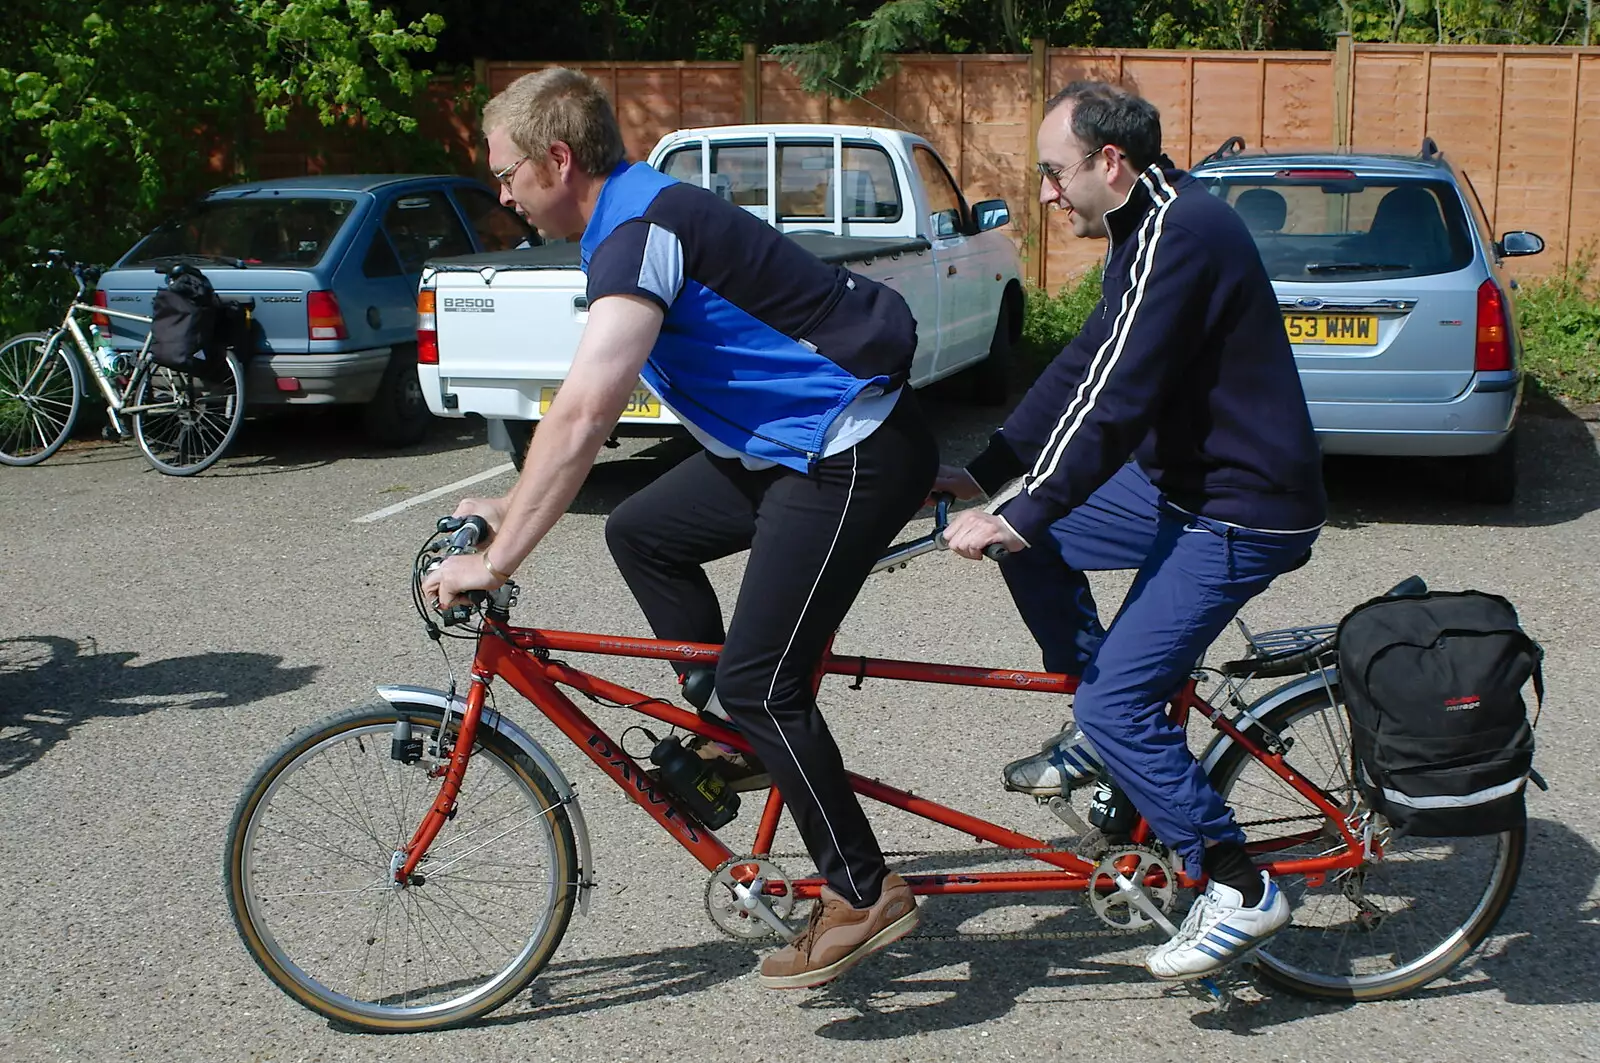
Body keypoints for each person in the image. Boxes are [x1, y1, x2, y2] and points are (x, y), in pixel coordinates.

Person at [422, 68, 936, 991]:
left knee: (765, 682)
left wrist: (499, 558)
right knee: (643, 532)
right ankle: (731, 734)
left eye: (506, 173)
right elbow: (579, 408)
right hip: (784, 450)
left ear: (559, 159)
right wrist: (507, 501)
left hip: (845, 450)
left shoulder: (640, 226)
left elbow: (585, 412)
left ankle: (864, 890)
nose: (501, 194)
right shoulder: (630, 219)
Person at [938, 81, 1327, 981]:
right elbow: (1087, 360)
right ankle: (1105, 733)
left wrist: (1018, 507)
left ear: (1109, 163)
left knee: (1112, 693)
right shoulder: (1146, 228)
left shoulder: (1180, 233)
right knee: (1044, 546)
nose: (1044, 192)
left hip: (1242, 507)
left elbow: (1114, 402)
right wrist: (993, 472)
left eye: (1053, 171)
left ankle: (1235, 883)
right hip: (1184, 488)